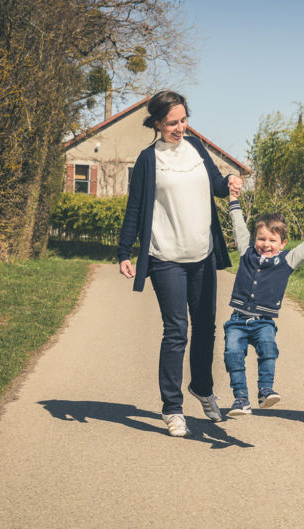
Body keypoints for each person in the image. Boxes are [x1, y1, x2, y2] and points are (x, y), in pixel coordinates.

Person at [117, 90, 242, 437]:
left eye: (184, 120)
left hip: (201, 255)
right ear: (157, 123)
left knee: (206, 327)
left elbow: (217, 185)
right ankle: (172, 408)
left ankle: (202, 388)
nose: (180, 128)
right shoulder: (148, 160)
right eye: (172, 122)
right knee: (176, 331)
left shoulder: (197, 149)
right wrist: (124, 250)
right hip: (165, 257)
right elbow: (135, 208)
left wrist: (228, 181)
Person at [222, 191, 304, 416]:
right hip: (237, 319)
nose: (265, 244)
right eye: (261, 239)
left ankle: (265, 390)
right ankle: (240, 399)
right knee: (232, 354)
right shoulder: (246, 253)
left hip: (263, 321)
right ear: (254, 239)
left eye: (272, 240)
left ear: (282, 242)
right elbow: (239, 227)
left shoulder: (286, 260)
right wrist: (233, 202)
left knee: (268, 349)